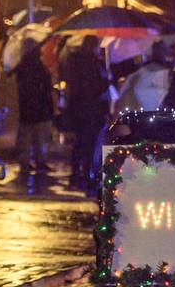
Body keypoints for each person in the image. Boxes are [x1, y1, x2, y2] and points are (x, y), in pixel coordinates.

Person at [61, 35, 111, 193]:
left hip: (78, 108)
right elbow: (98, 87)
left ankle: (76, 173)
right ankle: (87, 174)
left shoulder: (75, 63)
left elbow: (73, 86)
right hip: (92, 109)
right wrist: (107, 80)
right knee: (90, 144)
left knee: (80, 142)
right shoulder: (95, 64)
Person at [13, 43, 55, 174]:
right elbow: (46, 86)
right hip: (41, 106)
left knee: (26, 134)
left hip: (27, 106)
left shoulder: (21, 67)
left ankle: (24, 162)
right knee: (40, 136)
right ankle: (40, 161)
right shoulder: (39, 67)